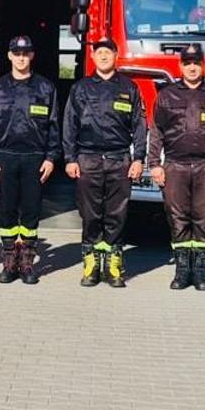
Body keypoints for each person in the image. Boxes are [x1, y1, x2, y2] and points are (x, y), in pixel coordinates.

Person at [148, 43, 205, 291]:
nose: (192, 67)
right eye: (187, 63)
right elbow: (157, 132)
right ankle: (182, 271)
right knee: (177, 219)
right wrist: (154, 164)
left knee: (204, 219)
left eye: (196, 63)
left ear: (203, 65)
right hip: (175, 165)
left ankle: (200, 273)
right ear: (181, 66)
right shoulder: (167, 96)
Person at [61, 39, 146, 288]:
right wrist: (69, 158)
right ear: (93, 57)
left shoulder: (129, 87)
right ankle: (91, 264)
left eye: (108, 52)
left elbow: (139, 125)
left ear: (116, 56)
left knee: (117, 214)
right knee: (90, 214)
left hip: (119, 159)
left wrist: (138, 158)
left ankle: (113, 264)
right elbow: (69, 124)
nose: (104, 57)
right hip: (88, 159)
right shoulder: (81, 88)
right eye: (99, 53)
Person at [0, 35, 58, 284]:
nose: (21, 58)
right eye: (17, 53)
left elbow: (54, 125)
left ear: (32, 56)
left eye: (25, 53)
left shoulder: (45, 88)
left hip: (35, 157)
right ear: (9, 56)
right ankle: (9, 262)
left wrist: (51, 157)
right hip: (5, 157)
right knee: (7, 211)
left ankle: (27, 263)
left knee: (32, 212)